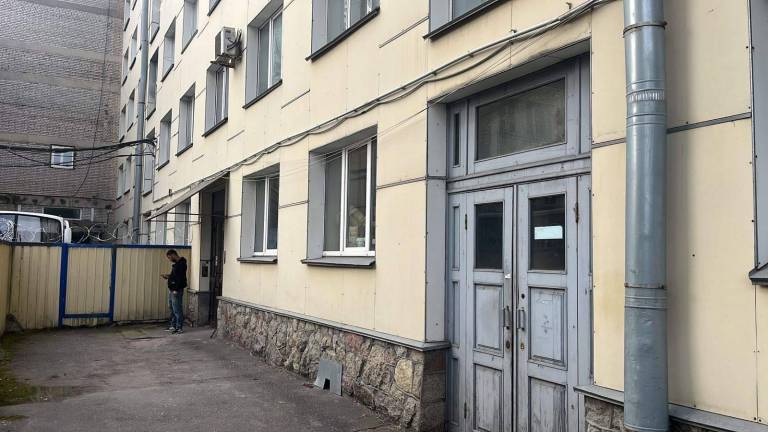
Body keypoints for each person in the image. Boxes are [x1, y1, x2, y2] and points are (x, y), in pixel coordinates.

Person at [161, 249, 187, 334]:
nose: (169, 259)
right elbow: (175, 276)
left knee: (177, 309)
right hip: (172, 289)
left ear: (173, 255)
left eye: (169, 257)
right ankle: (173, 325)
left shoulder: (181, 264)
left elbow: (180, 278)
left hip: (176, 290)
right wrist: (168, 276)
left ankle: (179, 327)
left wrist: (176, 289)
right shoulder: (176, 265)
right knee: (172, 308)